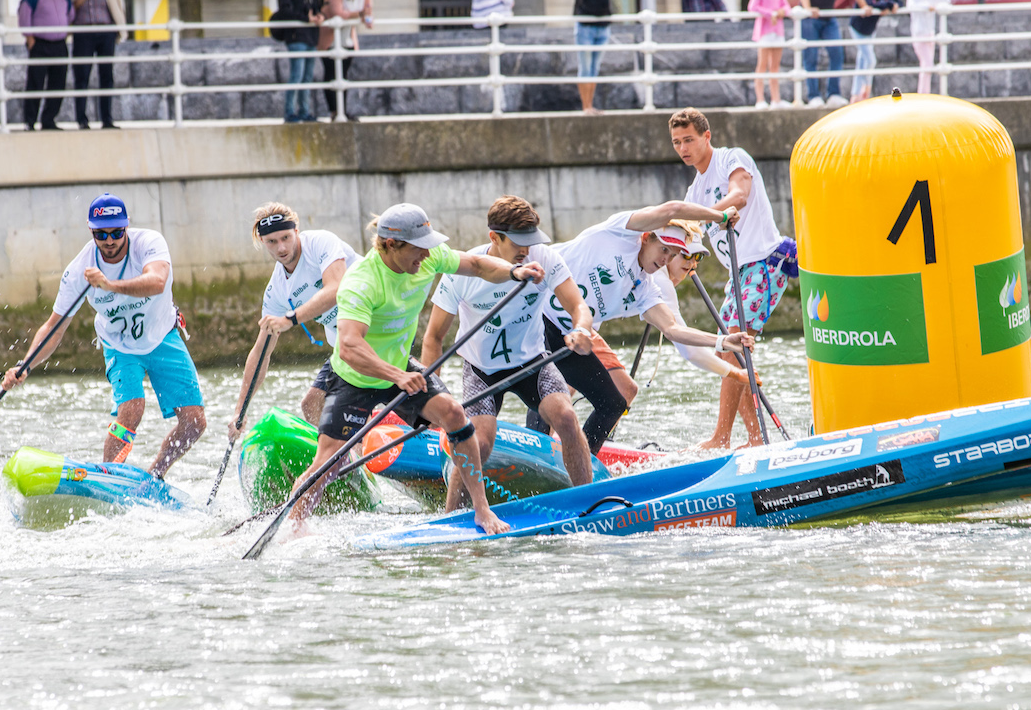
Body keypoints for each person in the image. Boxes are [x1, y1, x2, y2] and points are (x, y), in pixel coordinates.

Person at [286, 203, 546, 535]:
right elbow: (350, 346)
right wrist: (398, 376)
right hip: (353, 377)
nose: (426, 256)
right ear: (391, 245)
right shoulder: (362, 281)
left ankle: (482, 511)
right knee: (329, 462)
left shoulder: (427, 256)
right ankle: (294, 526)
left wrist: (514, 272)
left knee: (454, 415)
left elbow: (478, 264)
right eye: (418, 250)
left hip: (398, 368)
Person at [526, 200, 756, 455]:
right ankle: (533, 455)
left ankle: (581, 465)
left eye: (672, 254)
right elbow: (674, 210)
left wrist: (723, 341)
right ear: (647, 237)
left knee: (613, 403)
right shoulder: (621, 233)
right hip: (535, 309)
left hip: (568, 334)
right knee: (549, 391)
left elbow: (672, 329)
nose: (665, 258)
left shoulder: (644, 288)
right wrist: (719, 216)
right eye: (663, 249)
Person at [1, 193, 206, 478]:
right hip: (119, 344)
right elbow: (54, 326)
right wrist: (26, 365)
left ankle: (155, 475)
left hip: (163, 336)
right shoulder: (78, 270)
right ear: (91, 231)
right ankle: (108, 476)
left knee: (195, 423)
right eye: (101, 233)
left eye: (116, 232)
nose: (109, 240)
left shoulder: (149, 243)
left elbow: (157, 282)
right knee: (132, 409)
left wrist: (109, 285)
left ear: (127, 226)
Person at [421, 196, 595, 504]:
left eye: (531, 241)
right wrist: (430, 396)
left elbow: (577, 305)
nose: (526, 251)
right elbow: (434, 337)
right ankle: (451, 518)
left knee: (566, 417)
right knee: (479, 443)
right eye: (518, 243)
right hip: (482, 370)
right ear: (494, 238)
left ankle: (589, 501)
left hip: (532, 362)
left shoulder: (546, 259)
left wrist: (581, 328)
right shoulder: (463, 272)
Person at [669, 107, 788, 450]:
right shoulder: (694, 191)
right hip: (738, 273)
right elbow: (684, 239)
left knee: (732, 353)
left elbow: (739, 196)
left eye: (689, 139)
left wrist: (715, 214)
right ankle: (753, 440)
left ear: (706, 136)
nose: (683, 148)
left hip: (766, 261)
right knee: (732, 354)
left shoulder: (731, 159)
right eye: (677, 142)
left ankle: (723, 438)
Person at [227, 203, 361, 442]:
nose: (281, 248)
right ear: (262, 242)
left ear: (296, 231)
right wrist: (240, 410)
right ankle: (347, 464)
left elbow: (335, 289)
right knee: (312, 404)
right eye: (271, 242)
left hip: (377, 321)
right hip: (347, 345)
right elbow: (261, 352)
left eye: (286, 237)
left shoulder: (320, 243)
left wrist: (292, 318)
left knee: (377, 395)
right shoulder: (276, 290)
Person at [648, 221, 755, 390]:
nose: (693, 264)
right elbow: (690, 351)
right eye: (687, 255)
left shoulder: (662, 278)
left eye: (698, 257)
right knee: (623, 393)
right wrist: (736, 373)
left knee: (625, 392)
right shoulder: (660, 281)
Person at [797, 0, 873, 108]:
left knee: (837, 53)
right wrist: (807, 9)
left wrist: (863, 5)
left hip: (828, 16)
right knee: (811, 57)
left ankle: (834, 94)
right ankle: (813, 96)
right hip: (810, 17)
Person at [18, 0, 75, 130]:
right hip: (40, 44)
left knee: (58, 83)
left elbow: (71, 13)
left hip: (59, 44)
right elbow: (24, 12)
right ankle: (30, 121)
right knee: (35, 82)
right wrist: (29, 38)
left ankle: (49, 119)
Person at [69, 0, 125, 129]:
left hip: (106, 31)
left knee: (107, 76)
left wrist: (119, 28)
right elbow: (65, 10)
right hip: (83, 32)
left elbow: (118, 3)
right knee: (81, 76)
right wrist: (78, 2)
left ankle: (107, 119)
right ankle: (82, 119)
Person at [317, 0, 373, 120]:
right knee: (332, 73)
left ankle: (342, 110)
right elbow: (338, 13)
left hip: (348, 37)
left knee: (343, 74)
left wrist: (367, 13)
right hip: (331, 38)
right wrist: (359, 14)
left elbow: (368, 8)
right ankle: (335, 111)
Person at [278, 0, 325, 123]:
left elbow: (317, 7)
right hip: (296, 37)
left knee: (307, 77)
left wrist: (320, 16)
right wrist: (305, 18)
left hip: (311, 37)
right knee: (296, 76)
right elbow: (284, 11)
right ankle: (290, 112)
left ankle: (304, 111)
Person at [848, 0, 900, 103]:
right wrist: (888, 4)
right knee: (870, 60)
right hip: (858, 28)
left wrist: (890, 5)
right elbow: (871, 4)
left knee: (862, 61)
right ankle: (866, 88)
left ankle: (856, 94)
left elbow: (898, 1)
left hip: (870, 30)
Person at [748, 0, 790, 109]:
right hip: (764, 32)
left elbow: (787, 7)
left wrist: (781, 12)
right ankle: (760, 99)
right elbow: (752, 6)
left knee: (775, 66)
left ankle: (776, 99)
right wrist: (770, 13)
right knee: (762, 65)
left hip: (777, 31)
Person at [573, 0, 613, 116]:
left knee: (594, 68)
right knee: (585, 68)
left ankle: (590, 105)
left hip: (603, 27)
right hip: (585, 27)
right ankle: (586, 107)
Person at [907, 0, 950, 95]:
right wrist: (928, 7)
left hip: (930, 35)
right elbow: (913, 7)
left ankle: (925, 92)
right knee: (927, 65)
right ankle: (923, 93)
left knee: (927, 65)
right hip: (919, 35)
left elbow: (947, 0)